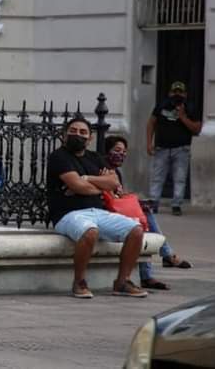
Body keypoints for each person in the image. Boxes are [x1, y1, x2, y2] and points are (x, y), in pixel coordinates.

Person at [47, 117, 147, 299]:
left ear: (90, 138)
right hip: (68, 214)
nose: (78, 135)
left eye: (83, 132)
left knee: (136, 230)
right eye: (73, 131)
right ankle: (79, 282)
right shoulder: (58, 157)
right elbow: (78, 186)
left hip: (99, 212)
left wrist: (86, 178)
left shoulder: (95, 158)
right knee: (90, 232)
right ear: (64, 135)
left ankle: (122, 282)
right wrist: (97, 185)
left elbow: (114, 182)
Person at [103, 136, 190, 290]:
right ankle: (163, 259)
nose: (121, 155)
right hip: (106, 213)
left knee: (144, 215)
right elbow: (107, 197)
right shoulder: (102, 169)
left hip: (117, 210)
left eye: (124, 152)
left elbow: (118, 196)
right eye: (117, 150)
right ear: (107, 151)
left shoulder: (117, 172)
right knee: (142, 218)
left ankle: (154, 268)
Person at [146, 81, 202, 216]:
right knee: (157, 176)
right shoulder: (161, 106)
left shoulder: (191, 107)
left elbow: (197, 129)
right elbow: (151, 123)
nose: (177, 95)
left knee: (180, 177)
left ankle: (176, 204)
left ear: (185, 94)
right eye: (175, 92)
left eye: (180, 92)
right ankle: (154, 202)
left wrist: (182, 116)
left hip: (181, 148)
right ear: (170, 93)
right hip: (162, 147)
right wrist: (149, 143)